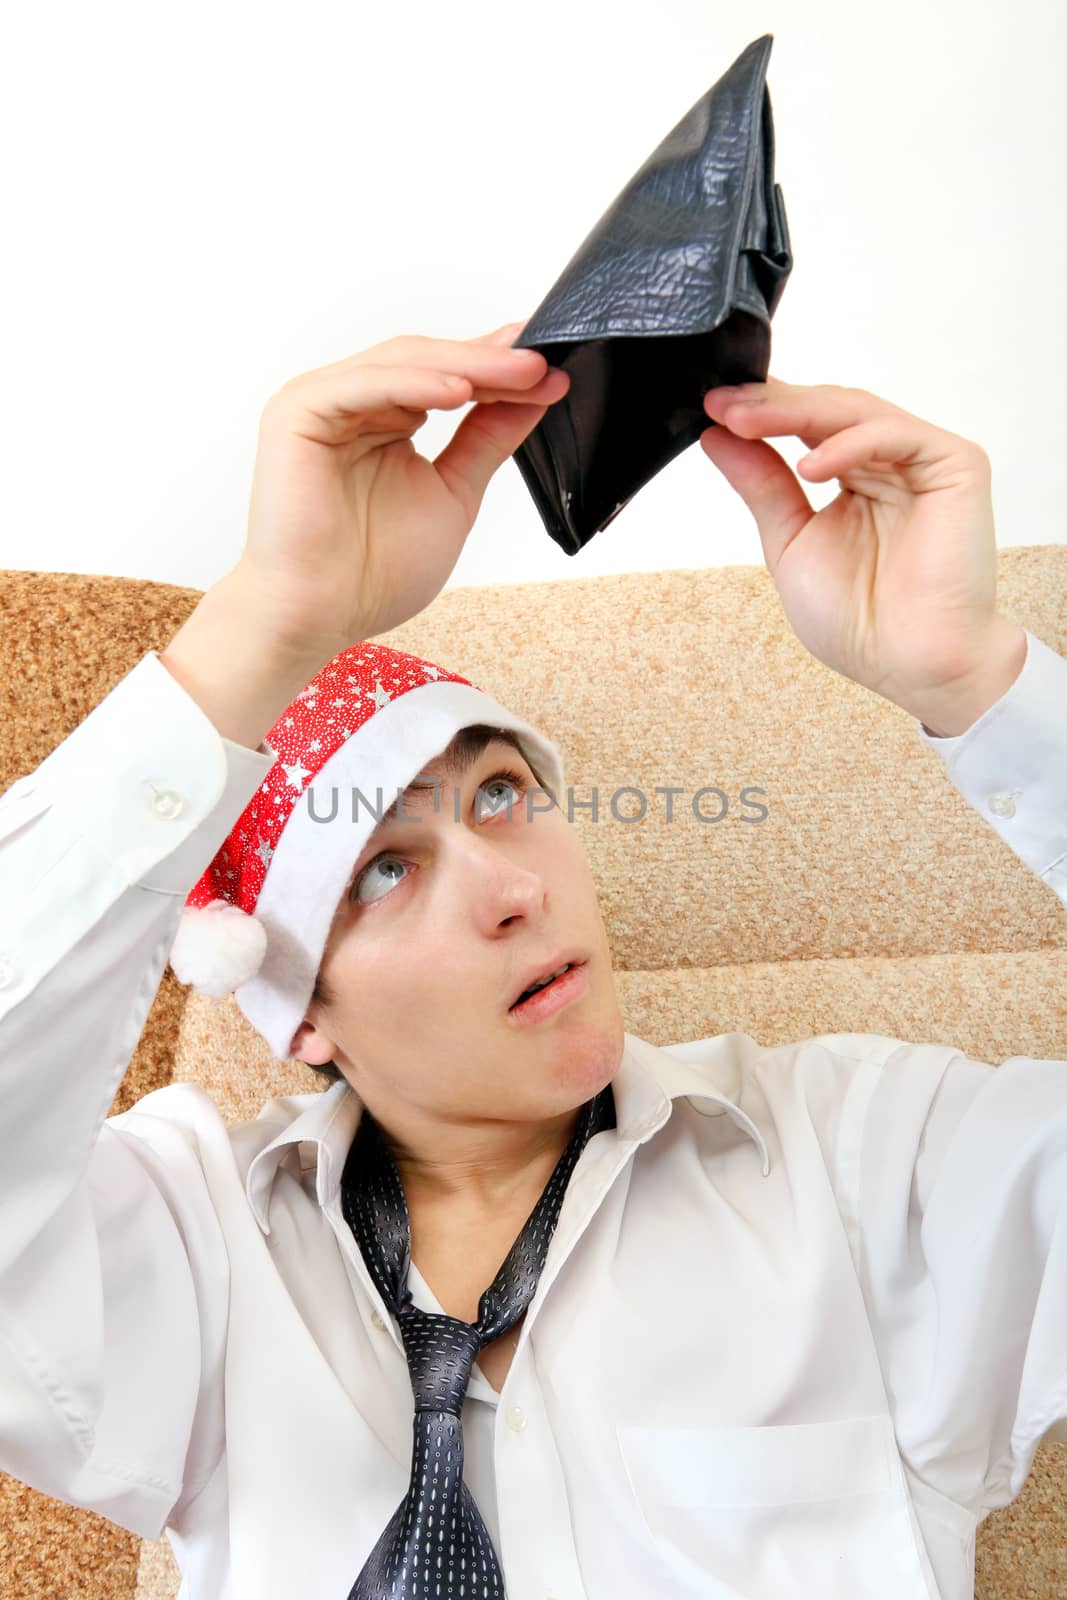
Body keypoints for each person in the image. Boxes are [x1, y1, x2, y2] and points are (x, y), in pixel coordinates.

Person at [0, 319, 1063, 1600]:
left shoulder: (874, 1163)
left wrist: (979, 680)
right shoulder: (186, 1242)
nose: (512, 888)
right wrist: (255, 627)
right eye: (383, 870)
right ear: (299, 1013)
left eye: (503, 793)